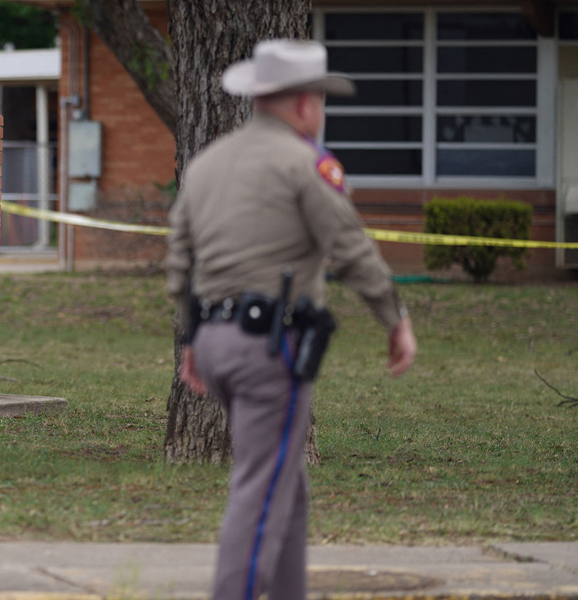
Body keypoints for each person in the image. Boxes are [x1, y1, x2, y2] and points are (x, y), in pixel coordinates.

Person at [164, 39, 418, 600]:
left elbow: (178, 258)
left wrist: (192, 339)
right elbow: (350, 248)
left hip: (215, 342)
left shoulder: (206, 164)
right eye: (321, 101)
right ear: (305, 104)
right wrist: (393, 318)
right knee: (259, 489)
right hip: (268, 349)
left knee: (285, 485)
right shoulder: (307, 163)